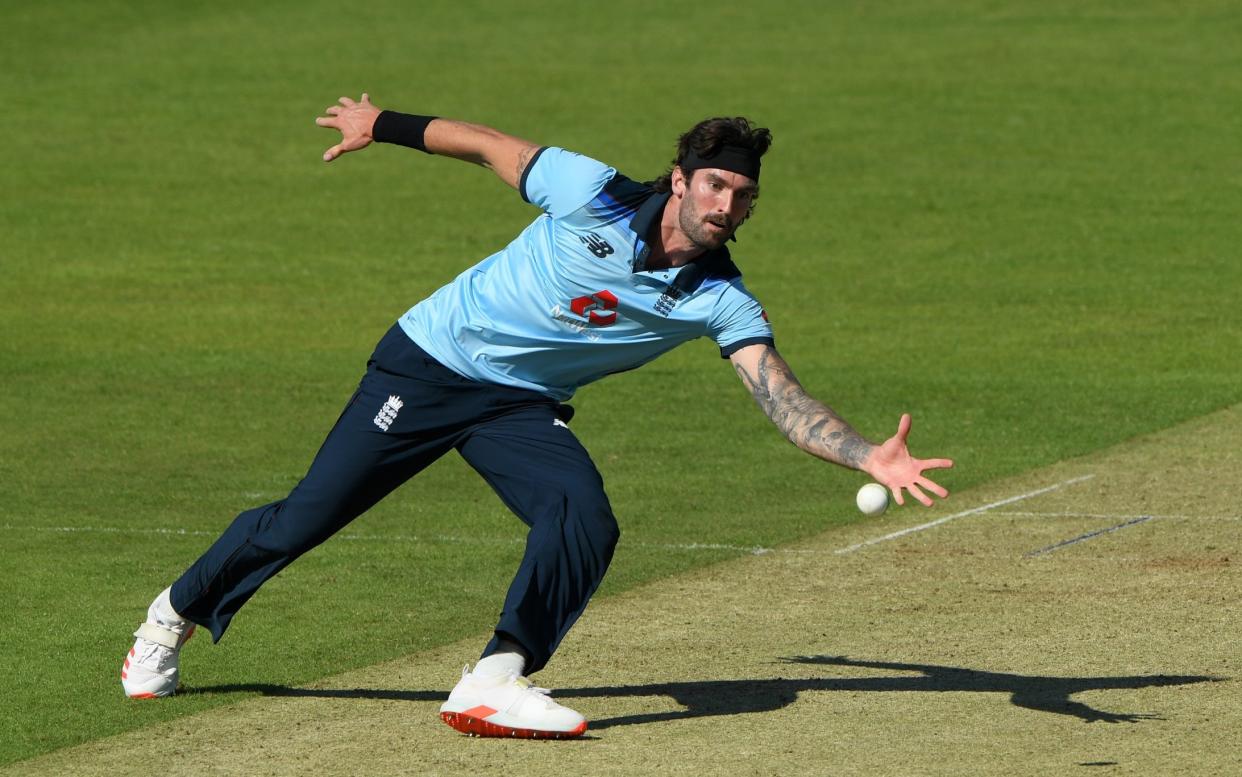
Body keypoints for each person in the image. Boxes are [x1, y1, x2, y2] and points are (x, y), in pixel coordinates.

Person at [121, 94, 954, 739]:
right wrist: (385, 123)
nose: (728, 205)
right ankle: (172, 616)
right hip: (429, 361)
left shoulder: (720, 299)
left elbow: (780, 393)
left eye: (743, 194)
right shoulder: (586, 190)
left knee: (583, 514)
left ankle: (495, 676)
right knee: (305, 517)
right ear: (681, 181)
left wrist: (865, 457)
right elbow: (489, 146)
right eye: (716, 185)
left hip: (516, 406)